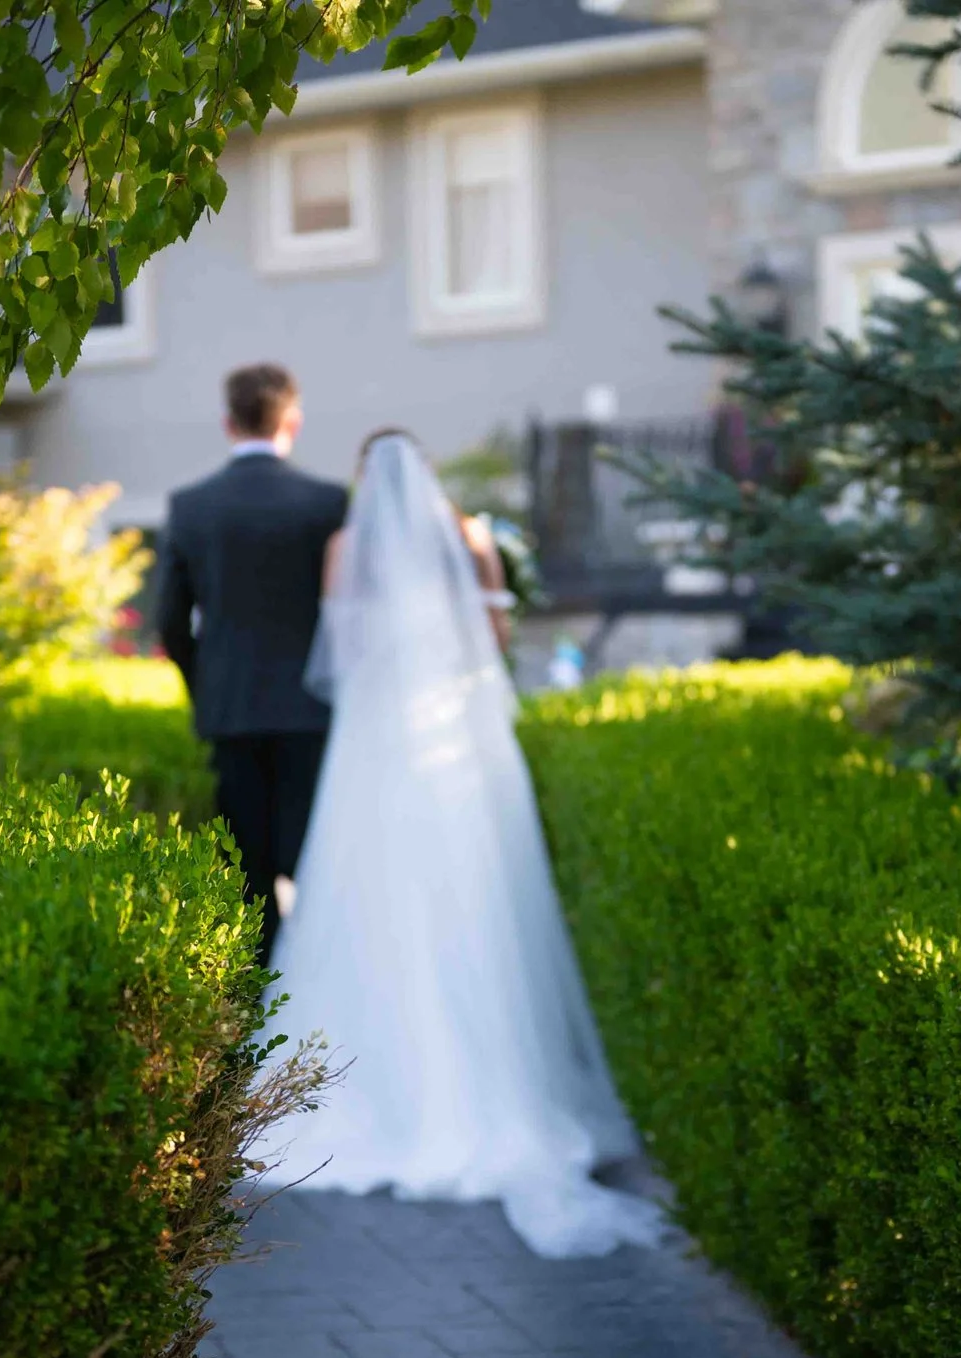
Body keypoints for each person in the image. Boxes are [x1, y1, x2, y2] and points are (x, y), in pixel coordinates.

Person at [260, 430, 663, 1259]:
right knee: (475, 892)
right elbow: (496, 642)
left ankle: (378, 1090)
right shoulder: (472, 537)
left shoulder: (343, 546)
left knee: (369, 896)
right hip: (456, 739)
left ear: (364, 478)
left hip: (375, 740)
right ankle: (496, 1088)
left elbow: (342, 653)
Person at [154, 364, 349, 957]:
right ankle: (322, 974)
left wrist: (205, 686)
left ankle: (263, 990)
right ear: (293, 421)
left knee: (246, 869)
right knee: (314, 858)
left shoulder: (191, 506)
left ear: (228, 423)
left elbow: (169, 620)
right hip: (313, 709)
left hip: (230, 708)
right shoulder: (329, 502)